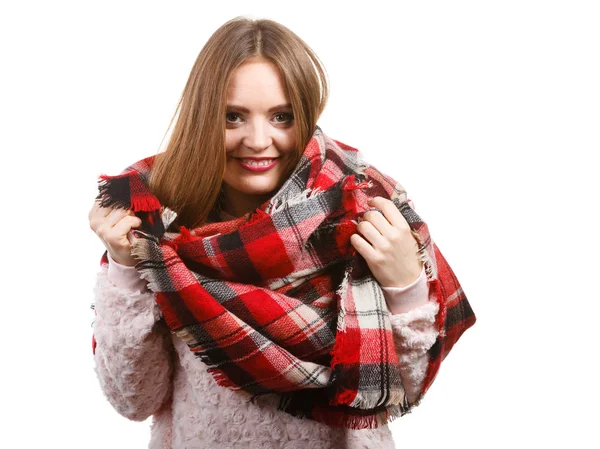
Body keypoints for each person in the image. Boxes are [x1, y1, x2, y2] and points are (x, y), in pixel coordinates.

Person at [88, 16, 475, 449]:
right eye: (232, 117)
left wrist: (407, 287)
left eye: (281, 117)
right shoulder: (155, 227)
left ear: (306, 114)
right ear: (202, 117)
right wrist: (124, 269)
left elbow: (401, 388)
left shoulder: (364, 208)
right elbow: (133, 399)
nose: (258, 139)